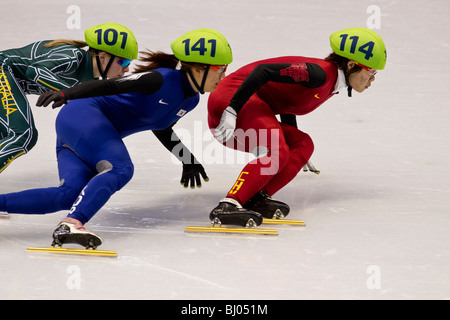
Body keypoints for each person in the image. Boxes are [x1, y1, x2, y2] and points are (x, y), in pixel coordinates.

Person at [0, 28, 233, 248]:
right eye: (220, 68)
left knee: (69, 195)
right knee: (121, 169)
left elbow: (161, 126)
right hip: (84, 115)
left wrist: (187, 159)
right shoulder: (159, 79)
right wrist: (67, 92)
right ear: (199, 68)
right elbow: (110, 85)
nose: (224, 74)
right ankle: (71, 225)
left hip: (80, 129)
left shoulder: (191, 100)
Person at [208, 27, 387, 227]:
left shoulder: (331, 82)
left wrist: (291, 146)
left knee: (302, 144)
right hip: (232, 99)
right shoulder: (318, 74)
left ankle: (255, 197)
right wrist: (233, 109)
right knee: (277, 151)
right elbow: (263, 72)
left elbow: (287, 99)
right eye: (370, 72)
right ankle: (229, 204)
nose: (372, 79)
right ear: (352, 64)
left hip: (248, 104)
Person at [0, 22, 138, 174]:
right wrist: (68, 92)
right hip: (2, 67)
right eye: (123, 61)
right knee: (23, 135)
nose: (127, 69)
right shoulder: (74, 56)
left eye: (129, 63)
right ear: (103, 57)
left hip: (7, 76)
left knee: (6, 136)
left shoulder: (89, 83)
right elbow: (35, 71)